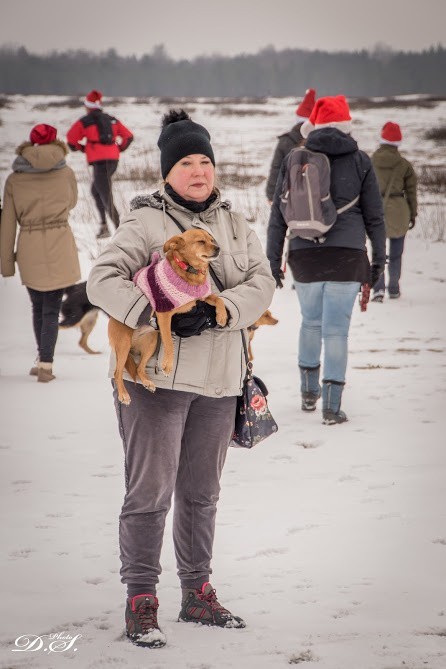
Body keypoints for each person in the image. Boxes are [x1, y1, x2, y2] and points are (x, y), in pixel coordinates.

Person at [86, 109, 275, 648]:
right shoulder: (144, 222)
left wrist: (219, 311)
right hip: (156, 382)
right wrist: (149, 312)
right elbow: (101, 279)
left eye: (206, 161)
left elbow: (262, 283)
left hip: (221, 382)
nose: (199, 170)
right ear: (167, 171)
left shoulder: (236, 223)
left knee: (202, 494)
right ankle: (141, 600)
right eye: (187, 162)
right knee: (150, 493)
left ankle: (197, 592)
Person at [267, 95, 386, 425]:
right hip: (348, 256)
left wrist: (273, 259)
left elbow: (278, 215)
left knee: (311, 322)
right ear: (347, 125)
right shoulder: (361, 160)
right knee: (336, 331)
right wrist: (378, 262)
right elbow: (376, 217)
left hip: (304, 254)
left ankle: (308, 393)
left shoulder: (294, 157)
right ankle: (332, 408)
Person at [0, 123, 80, 382]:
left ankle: (42, 358)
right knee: (52, 307)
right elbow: (72, 202)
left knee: (37, 306)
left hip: (29, 246)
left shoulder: (14, 178)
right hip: (59, 240)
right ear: (56, 143)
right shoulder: (66, 172)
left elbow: (8, 221)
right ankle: (46, 363)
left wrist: (6, 262)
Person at [66, 89, 134, 239]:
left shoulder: (85, 121)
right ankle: (104, 227)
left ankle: (121, 233)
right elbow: (128, 136)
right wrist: (118, 148)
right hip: (113, 161)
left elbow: (71, 140)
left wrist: (83, 148)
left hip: (99, 162)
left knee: (105, 196)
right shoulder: (112, 119)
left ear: (88, 106)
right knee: (96, 191)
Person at [371, 122, 418, 302]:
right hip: (399, 211)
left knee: (378, 252)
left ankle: (378, 289)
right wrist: (413, 214)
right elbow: (411, 192)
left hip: (377, 210)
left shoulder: (370, 161)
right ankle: (394, 288)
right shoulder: (404, 165)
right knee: (396, 253)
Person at [265, 88, 316, 204]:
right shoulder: (319, 141)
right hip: (315, 198)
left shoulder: (285, 141)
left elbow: (276, 169)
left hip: (287, 196)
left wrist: (271, 194)